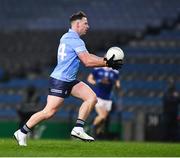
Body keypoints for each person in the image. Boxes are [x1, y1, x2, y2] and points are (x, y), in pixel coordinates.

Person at [13, 11, 123, 146]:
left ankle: (78, 128)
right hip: (60, 81)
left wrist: (106, 60)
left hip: (69, 80)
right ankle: (22, 132)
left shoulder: (67, 37)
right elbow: (87, 61)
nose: (88, 26)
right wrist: (108, 63)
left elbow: (88, 56)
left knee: (91, 98)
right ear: (77, 24)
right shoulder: (75, 40)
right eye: (85, 23)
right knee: (49, 112)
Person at [87, 67, 120, 138]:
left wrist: (117, 86)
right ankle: (92, 128)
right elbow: (89, 78)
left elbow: (117, 82)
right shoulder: (98, 69)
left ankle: (96, 133)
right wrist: (96, 82)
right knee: (101, 116)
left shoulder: (114, 71)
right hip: (98, 97)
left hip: (108, 98)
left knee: (104, 118)